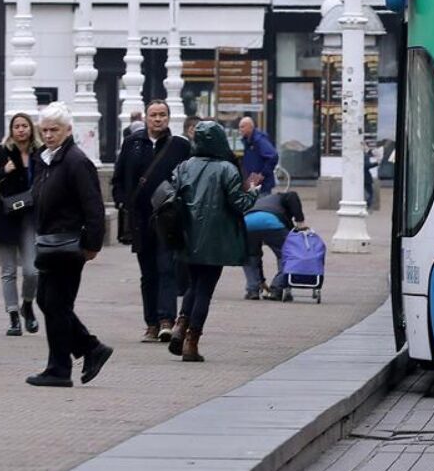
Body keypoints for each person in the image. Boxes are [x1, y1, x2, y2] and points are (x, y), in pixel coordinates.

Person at [25, 102, 112, 387]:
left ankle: (60, 368)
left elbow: (93, 206)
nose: (49, 135)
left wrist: (92, 244)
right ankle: (90, 348)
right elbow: (38, 194)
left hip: (68, 244)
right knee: (46, 301)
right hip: (48, 242)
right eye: (45, 130)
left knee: (57, 304)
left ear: (68, 130)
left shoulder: (76, 161)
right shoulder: (45, 159)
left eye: (55, 130)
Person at [167, 120, 261, 362]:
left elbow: (173, 195)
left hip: (188, 236)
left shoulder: (185, 166)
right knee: (205, 289)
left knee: (194, 284)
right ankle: (191, 342)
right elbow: (240, 204)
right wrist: (253, 189)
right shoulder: (227, 169)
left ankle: (180, 325)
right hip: (216, 240)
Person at [111, 99, 189, 343]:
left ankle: (166, 320)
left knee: (167, 268)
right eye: (153, 115)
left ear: (169, 118)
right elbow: (118, 178)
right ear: (145, 117)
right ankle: (151, 324)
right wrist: (122, 202)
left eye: (162, 115)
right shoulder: (132, 143)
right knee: (148, 273)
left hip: (168, 219)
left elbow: (189, 180)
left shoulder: (180, 146)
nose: (158, 119)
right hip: (140, 219)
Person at [0, 113, 40, 337]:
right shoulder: (0, 152)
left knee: (32, 270)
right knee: (8, 271)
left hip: (30, 216)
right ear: (11, 130)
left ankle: (27, 304)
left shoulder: (39, 153)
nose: (21, 130)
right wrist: (3, 171)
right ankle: (13, 316)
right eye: (17, 126)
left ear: (31, 129)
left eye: (25, 126)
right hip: (5, 216)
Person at [243, 190, 306, 301]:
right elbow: (293, 195)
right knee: (286, 255)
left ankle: (253, 290)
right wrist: (300, 221)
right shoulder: (282, 196)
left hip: (247, 222)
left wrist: (261, 281)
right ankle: (277, 289)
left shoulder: (260, 201)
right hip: (272, 222)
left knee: (251, 256)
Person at [238, 116, 279, 196]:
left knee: (262, 201)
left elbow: (273, 156)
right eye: (239, 127)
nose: (240, 130)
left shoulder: (259, 140)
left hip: (262, 185)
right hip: (253, 184)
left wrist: (262, 174)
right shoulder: (248, 141)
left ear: (250, 127)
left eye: (242, 127)